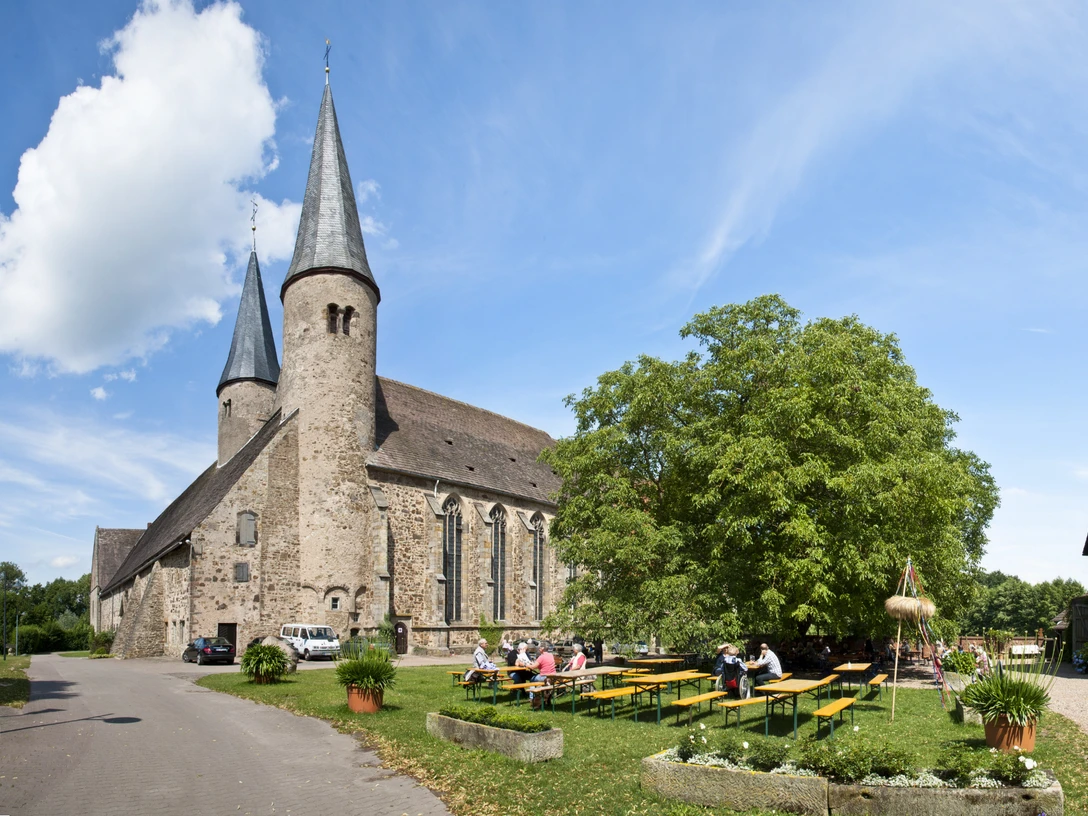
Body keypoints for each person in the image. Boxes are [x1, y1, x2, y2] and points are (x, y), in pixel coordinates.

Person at [528, 644, 557, 709]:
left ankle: (531, 697)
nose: (539, 648)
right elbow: (543, 665)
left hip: (545, 676)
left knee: (532, 679)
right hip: (553, 676)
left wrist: (526, 665)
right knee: (535, 678)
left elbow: (533, 667)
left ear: (543, 648)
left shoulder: (541, 657)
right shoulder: (551, 655)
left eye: (540, 647)